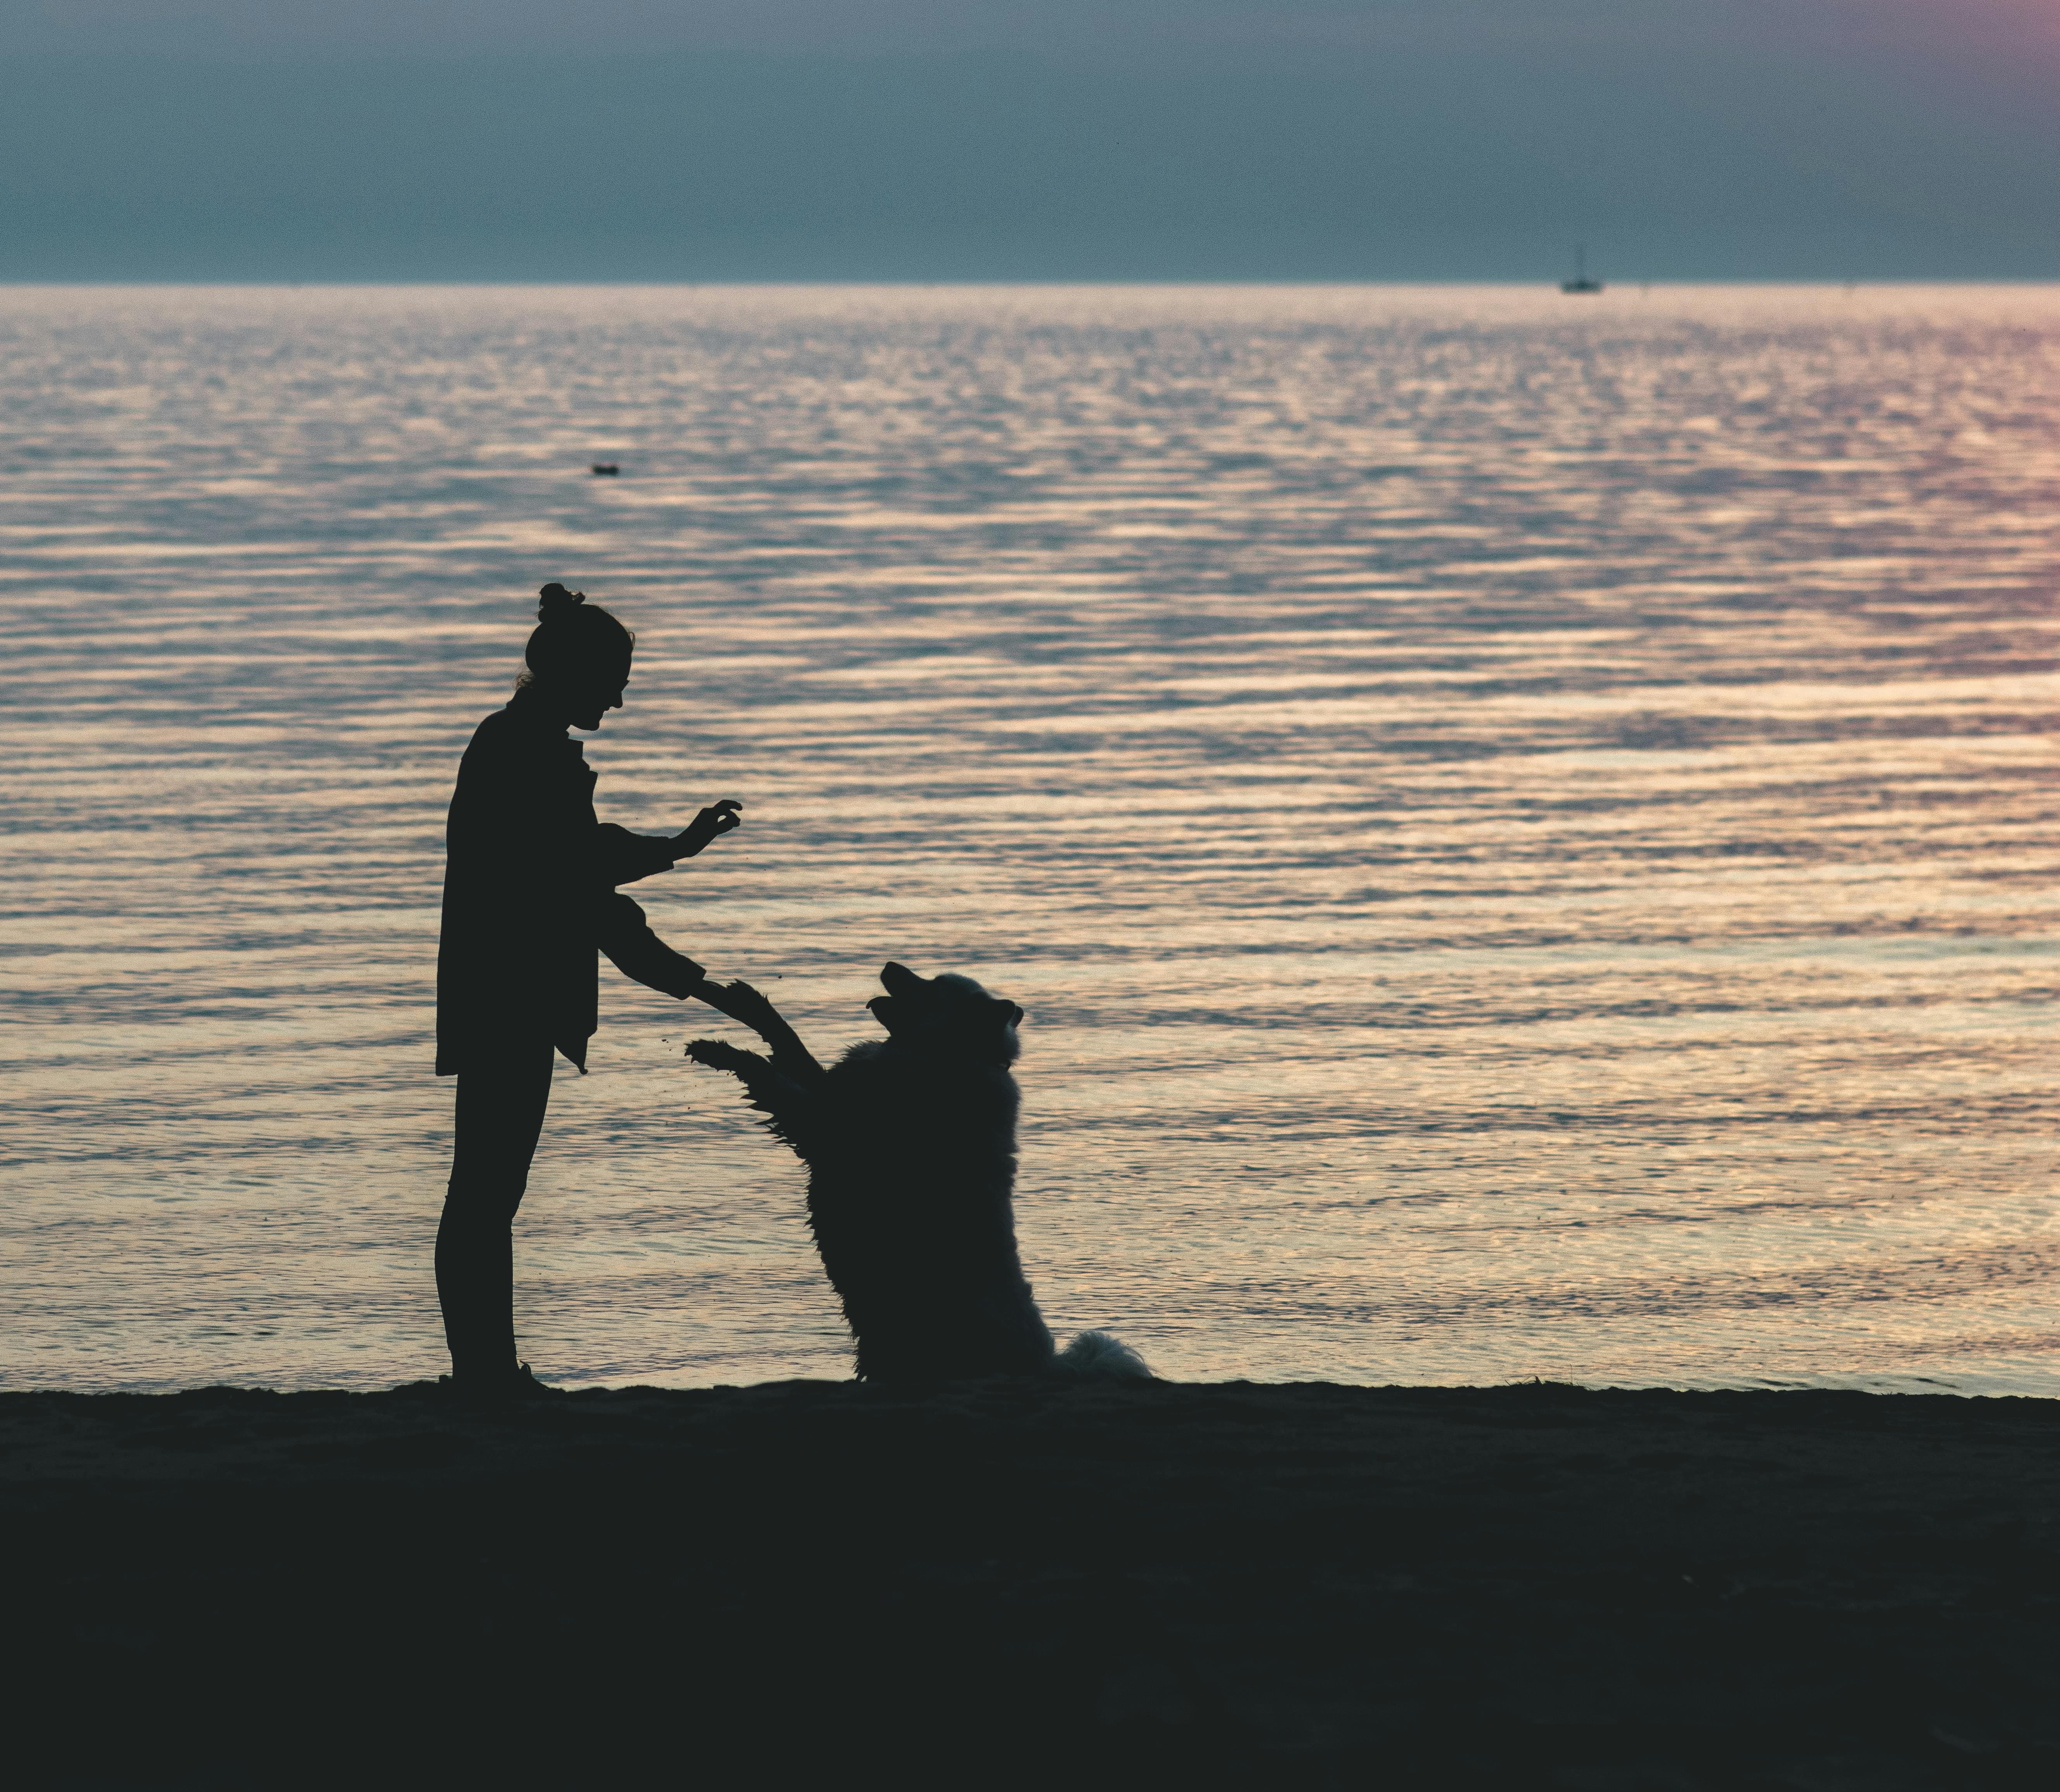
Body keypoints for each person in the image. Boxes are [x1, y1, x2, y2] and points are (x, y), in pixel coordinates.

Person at [433, 581, 742, 1397]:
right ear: (573, 673)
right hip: (511, 993)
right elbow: (579, 873)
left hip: (507, 990)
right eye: (613, 678)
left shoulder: (521, 744)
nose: (620, 695)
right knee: (485, 1193)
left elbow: (583, 882)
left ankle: (486, 1371)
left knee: (490, 1190)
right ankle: (484, 1375)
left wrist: (677, 871)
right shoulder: (521, 750)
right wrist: (679, 849)